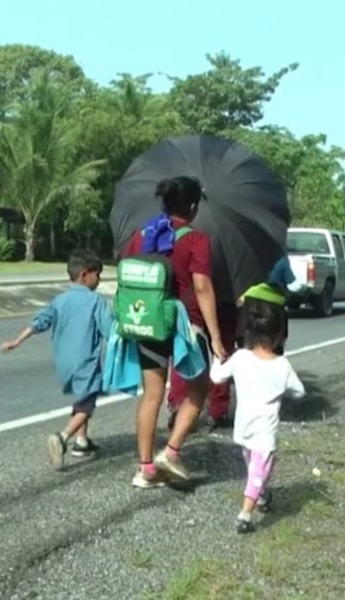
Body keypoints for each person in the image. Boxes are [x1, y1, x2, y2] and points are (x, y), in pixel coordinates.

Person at [122, 176, 225, 489]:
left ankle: (145, 469)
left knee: (151, 394)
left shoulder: (142, 235)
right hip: (186, 326)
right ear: (193, 207)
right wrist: (217, 337)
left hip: (148, 323)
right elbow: (202, 286)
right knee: (198, 390)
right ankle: (171, 450)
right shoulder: (195, 239)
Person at [0, 249, 113, 469]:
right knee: (87, 404)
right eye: (97, 275)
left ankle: (82, 441)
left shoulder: (59, 300)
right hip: (86, 361)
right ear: (84, 275)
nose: (99, 280)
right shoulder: (96, 301)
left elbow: (40, 322)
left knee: (81, 397)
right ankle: (62, 437)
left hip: (65, 362)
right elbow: (110, 330)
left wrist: (17, 341)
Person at [209, 300, 306, 534]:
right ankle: (245, 513)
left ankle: (262, 495)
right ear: (279, 336)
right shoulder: (282, 365)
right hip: (265, 432)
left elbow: (217, 377)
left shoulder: (241, 358)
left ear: (250, 332)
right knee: (258, 470)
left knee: (256, 467)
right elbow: (300, 390)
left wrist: (216, 358)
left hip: (243, 428)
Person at [167, 300, 237, 431]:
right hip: (219, 294)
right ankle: (217, 410)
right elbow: (202, 285)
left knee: (184, 348)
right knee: (223, 346)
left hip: (186, 298)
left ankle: (179, 403)